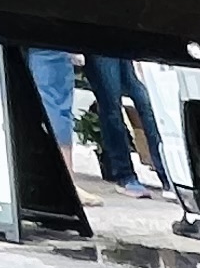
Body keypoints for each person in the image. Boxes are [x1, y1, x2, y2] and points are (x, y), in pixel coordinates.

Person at [25, 48, 169, 194]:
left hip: (116, 38)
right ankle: (125, 175)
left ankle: (165, 176)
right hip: (98, 41)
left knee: (140, 101)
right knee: (112, 104)